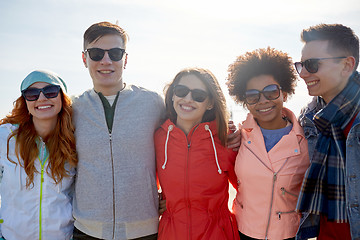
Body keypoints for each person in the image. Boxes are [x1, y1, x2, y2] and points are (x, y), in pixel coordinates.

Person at [71, 22, 165, 240]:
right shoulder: (72, 108)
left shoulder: (153, 103)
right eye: (96, 53)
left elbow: (183, 140)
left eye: (115, 53)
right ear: (85, 59)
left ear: (125, 59)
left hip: (145, 231)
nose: (106, 61)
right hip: (86, 231)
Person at [226, 47, 310, 240]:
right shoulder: (237, 137)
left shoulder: (307, 141)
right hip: (241, 232)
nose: (263, 101)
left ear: (285, 93)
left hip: (288, 235)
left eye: (271, 91)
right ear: (245, 100)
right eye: (253, 95)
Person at [155, 67, 239, 240]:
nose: (188, 99)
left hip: (218, 234)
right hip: (171, 234)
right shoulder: (158, 138)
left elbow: (248, 190)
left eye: (198, 95)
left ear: (210, 103)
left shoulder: (226, 139)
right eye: (181, 91)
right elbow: (145, 183)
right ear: (172, 95)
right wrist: (152, 203)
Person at [295, 24, 360, 240]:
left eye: (312, 65)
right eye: (301, 65)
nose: (303, 73)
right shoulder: (309, 116)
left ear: (347, 65)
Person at [0, 70, 77, 240]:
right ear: (25, 101)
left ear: (62, 98)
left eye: (50, 91)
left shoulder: (74, 141)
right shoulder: (5, 138)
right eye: (32, 94)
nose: (41, 98)